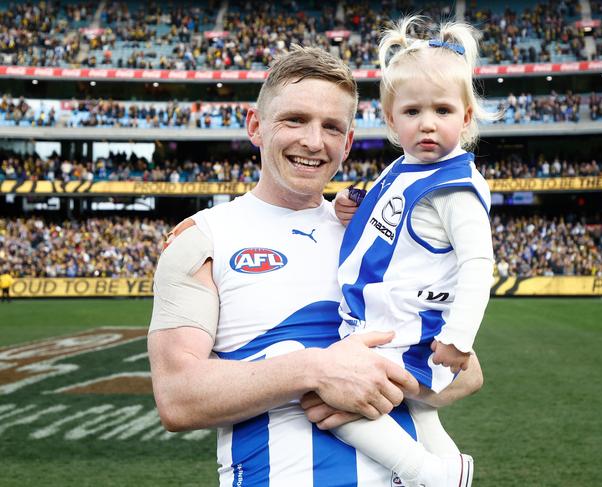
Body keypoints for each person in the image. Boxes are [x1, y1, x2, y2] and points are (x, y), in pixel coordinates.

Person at [148, 45, 483, 486]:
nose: (313, 141)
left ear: (347, 143)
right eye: (295, 120)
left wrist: (375, 381)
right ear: (256, 126)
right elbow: (177, 398)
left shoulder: (370, 234)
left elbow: (467, 373)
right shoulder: (201, 238)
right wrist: (314, 371)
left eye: (331, 127)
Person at [329, 16, 497, 487]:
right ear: (389, 119)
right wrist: (348, 208)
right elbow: (388, 219)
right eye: (412, 112)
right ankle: (451, 470)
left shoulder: (454, 190)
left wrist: (460, 338)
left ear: (466, 118)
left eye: (443, 111)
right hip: (380, 324)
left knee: (331, 406)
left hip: (406, 334)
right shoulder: (406, 166)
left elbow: (478, 265)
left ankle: (425, 474)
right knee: (421, 416)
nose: (427, 124)